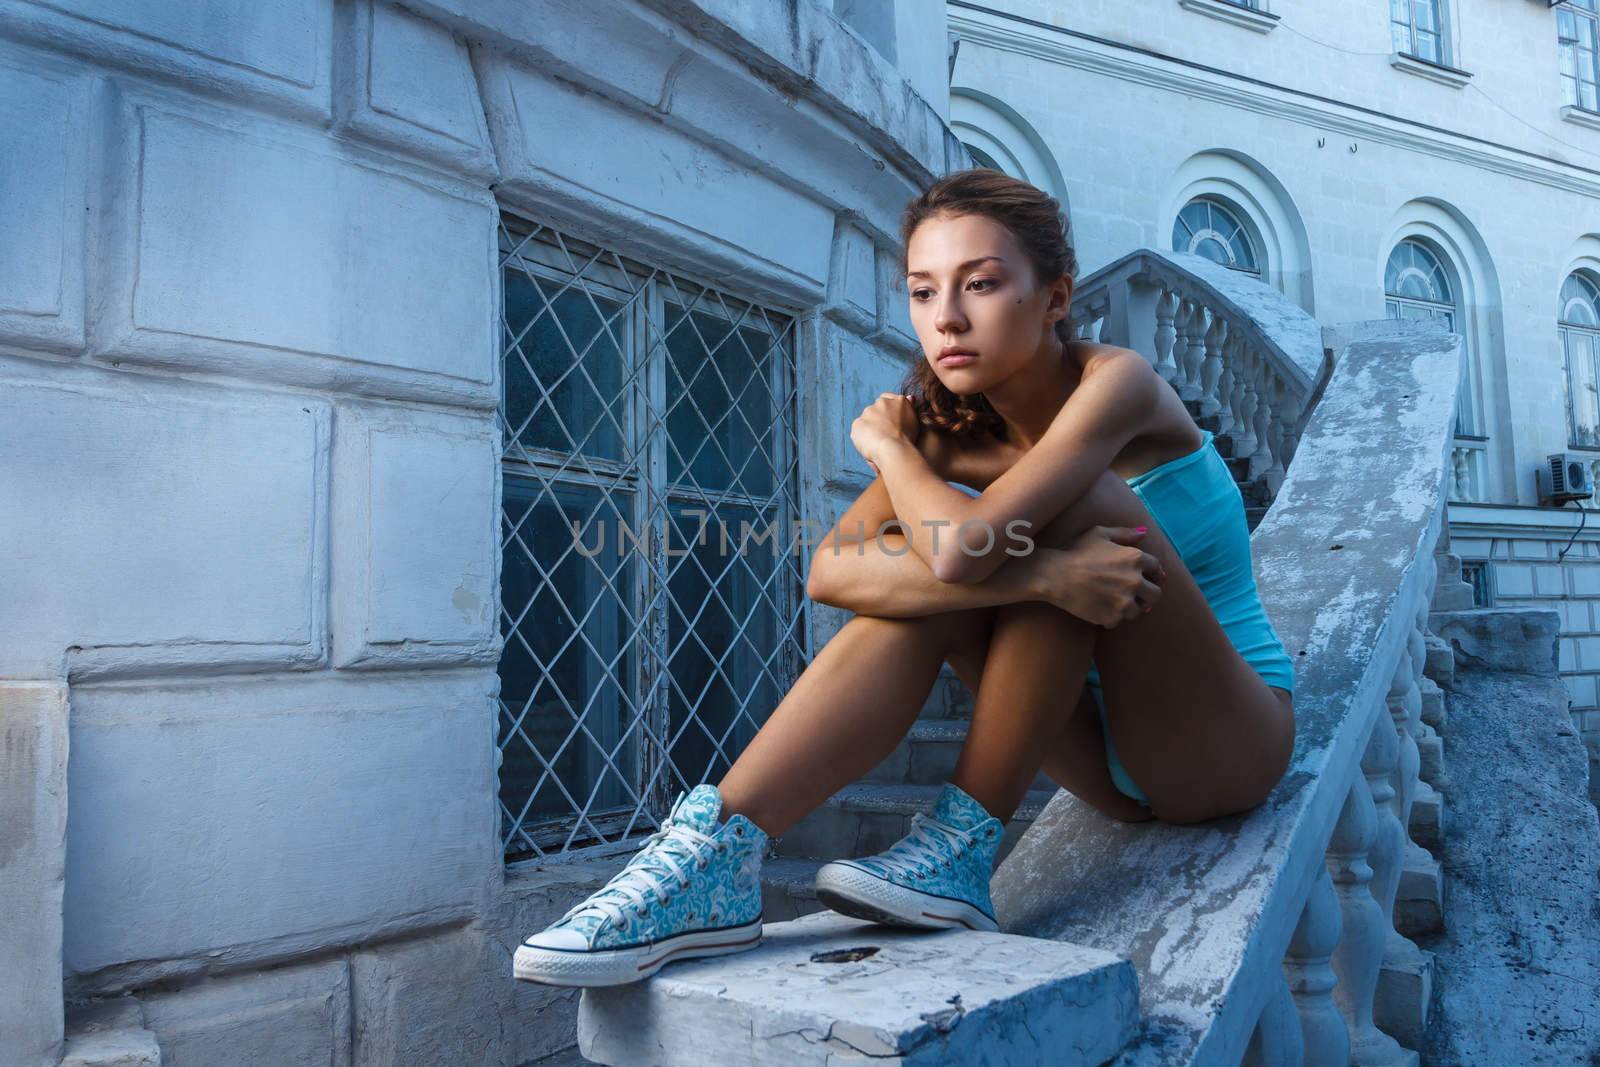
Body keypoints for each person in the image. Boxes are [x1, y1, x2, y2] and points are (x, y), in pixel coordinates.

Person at [513, 168, 1297, 988]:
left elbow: (963, 552)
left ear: (1056, 297)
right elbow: (831, 570)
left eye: (982, 284)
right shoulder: (945, 427)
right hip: (1100, 759)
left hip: (1223, 740)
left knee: (1062, 511)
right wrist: (1043, 580)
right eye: (923, 292)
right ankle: (718, 853)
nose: (946, 318)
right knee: (937, 587)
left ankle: (962, 838)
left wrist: (889, 449)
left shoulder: (1118, 385)